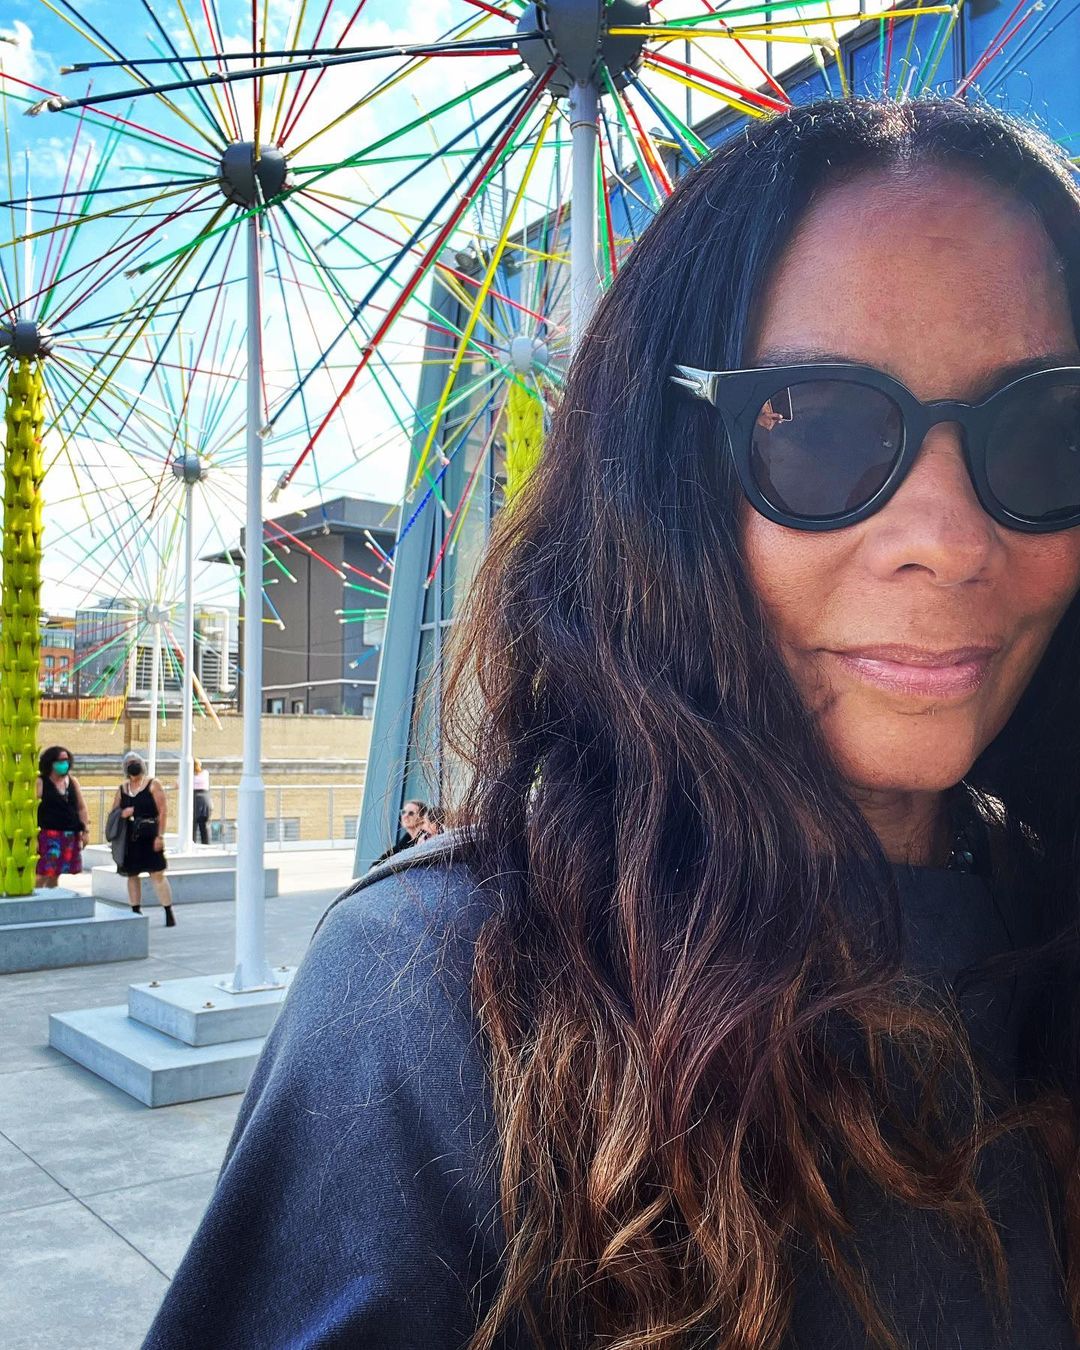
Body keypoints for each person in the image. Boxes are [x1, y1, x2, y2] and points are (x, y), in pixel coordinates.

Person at [144, 98, 1080, 1349]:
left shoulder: (1047, 911)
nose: (951, 540)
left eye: (1048, 431)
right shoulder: (444, 997)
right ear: (665, 475)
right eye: (818, 428)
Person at [113, 751, 175, 926]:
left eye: (136, 761)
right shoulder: (122, 789)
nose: (133, 765)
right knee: (132, 874)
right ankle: (135, 910)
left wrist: (160, 836)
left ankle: (168, 911)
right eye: (129, 763)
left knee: (157, 874)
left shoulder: (153, 784)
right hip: (130, 838)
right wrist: (123, 813)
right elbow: (114, 813)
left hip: (150, 834)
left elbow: (162, 811)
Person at [35, 746, 89, 888]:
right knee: (42, 873)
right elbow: (32, 809)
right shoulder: (40, 782)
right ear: (50, 762)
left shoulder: (72, 782)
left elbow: (81, 808)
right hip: (48, 834)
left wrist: (85, 831)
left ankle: (52, 897)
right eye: (60, 761)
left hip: (70, 833)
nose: (64, 764)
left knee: (57, 873)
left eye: (66, 760)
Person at [370, 798, 428, 867]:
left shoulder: (425, 838)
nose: (405, 816)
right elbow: (385, 858)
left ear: (422, 818)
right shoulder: (406, 839)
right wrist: (374, 867)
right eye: (403, 812)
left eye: (411, 813)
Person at [192, 757, 212, 845]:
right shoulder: (205, 773)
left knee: (192, 826)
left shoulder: (189, 776)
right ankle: (206, 846)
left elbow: (177, 784)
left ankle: (191, 844)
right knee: (204, 826)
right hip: (205, 800)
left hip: (194, 800)